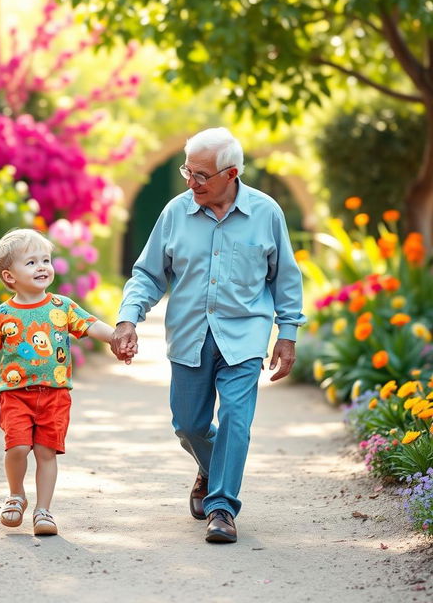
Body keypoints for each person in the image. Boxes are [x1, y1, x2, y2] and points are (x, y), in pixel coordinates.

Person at [110, 127, 306, 543]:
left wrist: (286, 335)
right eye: (187, 171)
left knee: (236, 419)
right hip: (189, 335)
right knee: (189, 425)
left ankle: (222, 508)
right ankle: (209, 466)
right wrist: (128, 319)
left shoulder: (267, 213)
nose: (190, 182)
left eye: (200, 175)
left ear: (231, 174)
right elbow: (147, 275)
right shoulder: (175, 213)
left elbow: (285, 279)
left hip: (245, 335)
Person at [0, 228, 131, 536]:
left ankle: (43, 511)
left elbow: (91, 324)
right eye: (31, 263)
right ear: (9, 276)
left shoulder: (62, 306)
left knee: (46, 452)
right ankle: (16, 495)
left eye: (45, 260)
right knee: (16, 447)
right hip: (16, 394)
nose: (42, 267)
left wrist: (117, 337)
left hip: (55, 395)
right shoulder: (3, 314)